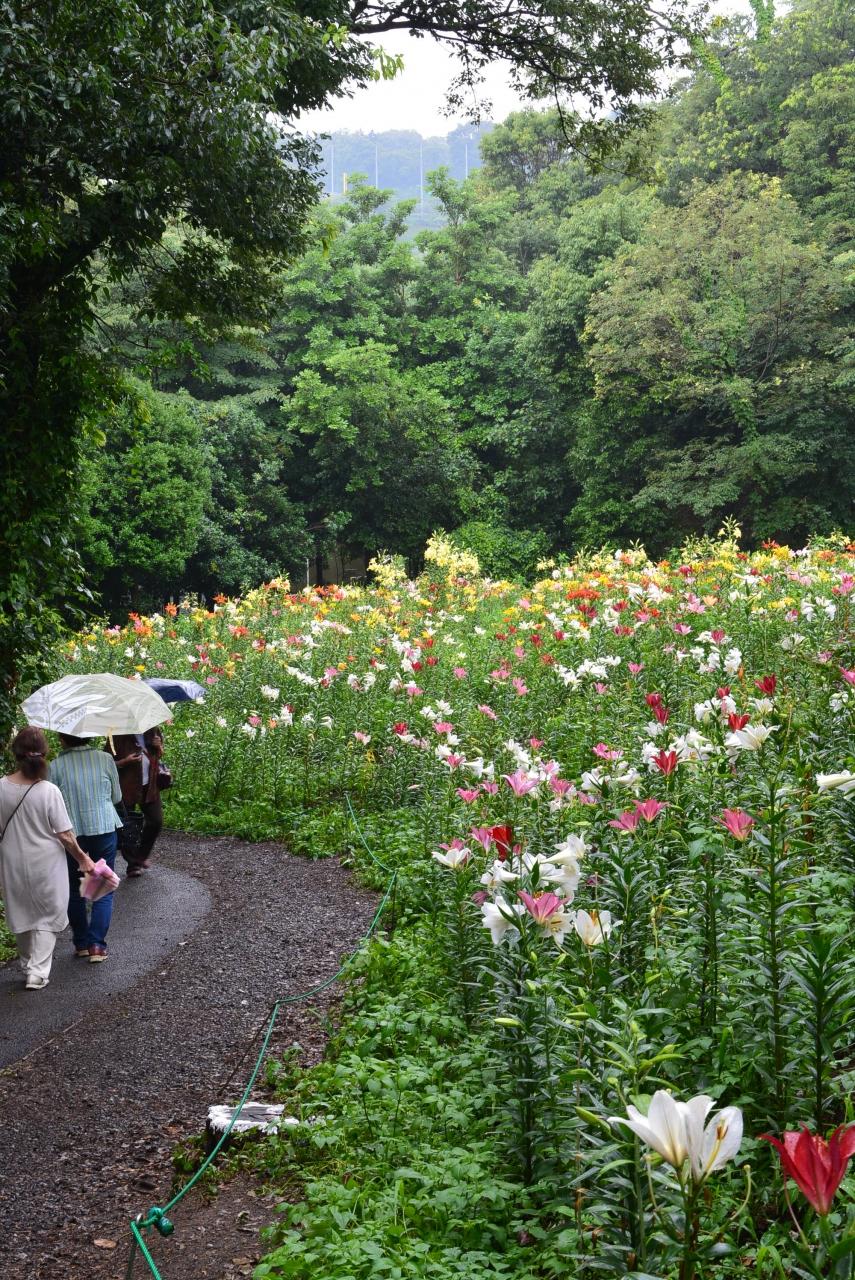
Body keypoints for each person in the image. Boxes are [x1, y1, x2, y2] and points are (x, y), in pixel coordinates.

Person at [0, 727, 96, 989]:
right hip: (47, 862)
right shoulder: (49, 790)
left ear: (16, 753)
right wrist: (83, 858)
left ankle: (26, 964)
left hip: (11, 861)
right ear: (44, 754)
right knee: (47, 912)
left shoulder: (1, 787)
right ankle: (37, 972)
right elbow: (65, 835)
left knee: (20, 909)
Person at [50, 732, 123, 962]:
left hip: (71, 834)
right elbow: (116, 796)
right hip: (103, 827)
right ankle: (97, 946)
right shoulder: (105, 759)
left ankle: (81, 944)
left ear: (62, 739)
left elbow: (52, 804)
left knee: (74, 888)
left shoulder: (56, 765)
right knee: (102, 886)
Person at [110, 727, 165, 876]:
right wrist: (124, 761)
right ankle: (133, 864)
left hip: (150, 785)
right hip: (126, 786)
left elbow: (159, 754)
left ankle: (141, 856)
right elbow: (108, 762)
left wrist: (159, 746)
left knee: (156, 821)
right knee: (128, 827)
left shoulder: (153, 730)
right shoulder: (117, 734)